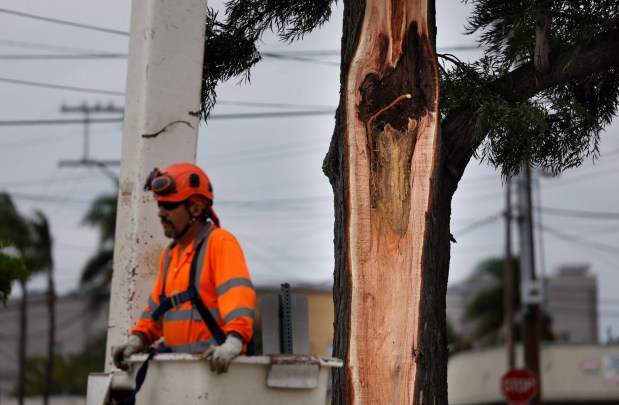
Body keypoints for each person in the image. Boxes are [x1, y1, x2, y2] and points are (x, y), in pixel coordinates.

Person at [112, 162, 255, 374]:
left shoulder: (220, 243)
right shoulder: (171, 254)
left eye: (169, 206)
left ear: (196, 208)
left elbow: (237, 298)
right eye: (159, 205)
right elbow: (156, 310)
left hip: (217, 372)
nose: (160, 212)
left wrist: (234, 341)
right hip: (181, 374)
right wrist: (138, 338)